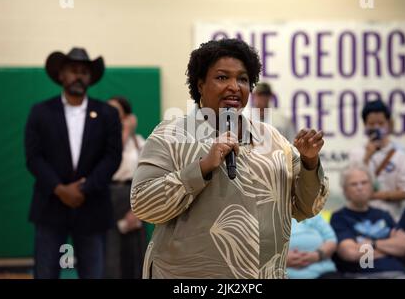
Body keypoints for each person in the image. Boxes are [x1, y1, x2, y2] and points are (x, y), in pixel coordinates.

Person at [130, 38, 329, 279]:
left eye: (243, 79)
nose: (234, 86)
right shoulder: (171, 135)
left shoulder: (273, 139)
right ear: (200, 84)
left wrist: (309, 163)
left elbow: (307, 207)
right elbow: (144, 205)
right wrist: (202, 168)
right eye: (223, 77)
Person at [25, 47, 122, 278]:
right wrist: (60, 189)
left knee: (93, 273)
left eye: (84, 71)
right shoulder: (40, 112)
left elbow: (112, 157)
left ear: (90, 78)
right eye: (73, 70)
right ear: (61, 75)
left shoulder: (107, 113)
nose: (78, 76)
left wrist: (83, 188)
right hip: (50, 205)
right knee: (46, 272)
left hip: (92, 205)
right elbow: (33, 157)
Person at [330, 165, 405, 279]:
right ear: (345, 191)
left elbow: (404, 246)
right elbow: (350, 253)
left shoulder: (384, 215)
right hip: (362, 275)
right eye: (354, 184)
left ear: (372, 187)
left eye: (364, 183)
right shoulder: (339, 217)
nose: (360, 187)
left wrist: (372, 244)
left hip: (398, 274)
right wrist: (390, 249)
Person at [348, 99, 405, 221]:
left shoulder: (400, 154)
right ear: (365, 125)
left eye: (381, 123)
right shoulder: (356, 153)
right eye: (371, 124)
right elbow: (351, 186)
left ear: (388, 124)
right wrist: (367, 157)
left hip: (393, 219)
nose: (376, 128)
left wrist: (377, 196)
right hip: (362, 219)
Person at [105, 96, 147, 279]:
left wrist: (138, 210)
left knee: (135, 254)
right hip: (108, 197)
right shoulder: (101, 140)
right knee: (111, 256)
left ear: (126, 116)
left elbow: (148, 176)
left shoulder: (139, 142)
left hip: (134, 196)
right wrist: (124, 132)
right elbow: (110, 160)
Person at [286, 214, 339, 279]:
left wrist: (318, 255)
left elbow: (331, 240)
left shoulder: (311, 213)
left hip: (324, 272)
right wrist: (281, 260)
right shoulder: (271, 220)